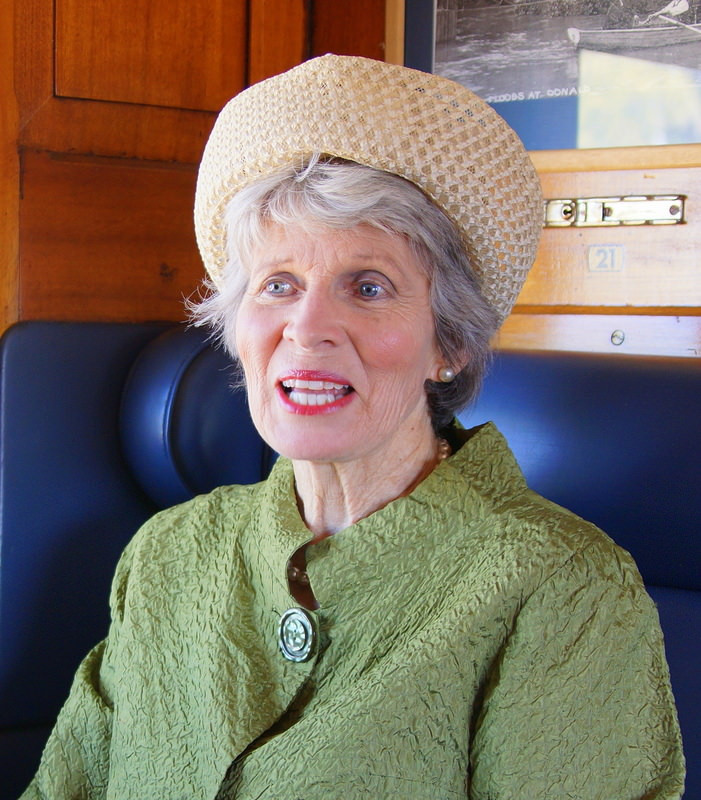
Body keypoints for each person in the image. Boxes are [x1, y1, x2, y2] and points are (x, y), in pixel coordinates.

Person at [22, 54, 684, 800]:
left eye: (367, 287)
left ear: (449, 343)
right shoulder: (168, 553)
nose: (307, 328)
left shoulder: (561, 588)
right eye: (278, 284)